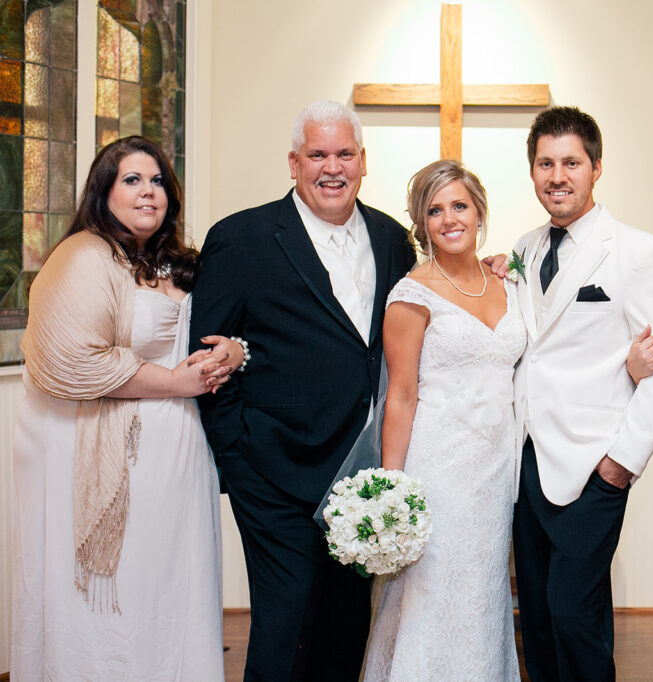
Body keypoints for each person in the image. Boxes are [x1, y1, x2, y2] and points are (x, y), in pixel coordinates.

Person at [189, 100, 417, 681]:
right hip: (273, 473)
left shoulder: (394, 240)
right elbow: (208, 357)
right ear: (294, 163)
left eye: (344, 154)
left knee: (345, 628)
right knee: (285, 624)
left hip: (360, 477)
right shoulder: (240, 238)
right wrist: (238, 457)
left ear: (364, 162)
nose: (332, 167)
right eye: (317, 154)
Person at [11, 135, 242, 680]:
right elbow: (71, 360)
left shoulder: (175, 264)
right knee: (118, 591)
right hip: (109, 451)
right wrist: (175, 383)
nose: (148, 193)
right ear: (104, 191)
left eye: (157, 180)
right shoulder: (82, 257)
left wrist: (234, 350)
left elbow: (220, 330)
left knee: (169, 582)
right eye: (131, 180)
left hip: (178, 452)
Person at [510, 106, 653, 681]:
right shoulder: (524, 249)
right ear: (532, 171)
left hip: (593, 462)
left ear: (597, 168)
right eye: (545, 163)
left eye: (571, 163)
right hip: (525, 460)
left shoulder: (638, 251)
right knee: (536, 615)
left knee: (572, 614)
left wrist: (622, 463)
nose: (558, 176)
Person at [362, 159, 525, 681]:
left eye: (460, 205)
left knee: (483, 591)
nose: (450, 218)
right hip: (440, 467)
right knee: (435, 594)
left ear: (479, 212)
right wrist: (392, 486)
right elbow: (402, 396)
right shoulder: (411, 295)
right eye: (435, 210)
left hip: (497, 468)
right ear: (421, 223)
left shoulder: (507, 279)